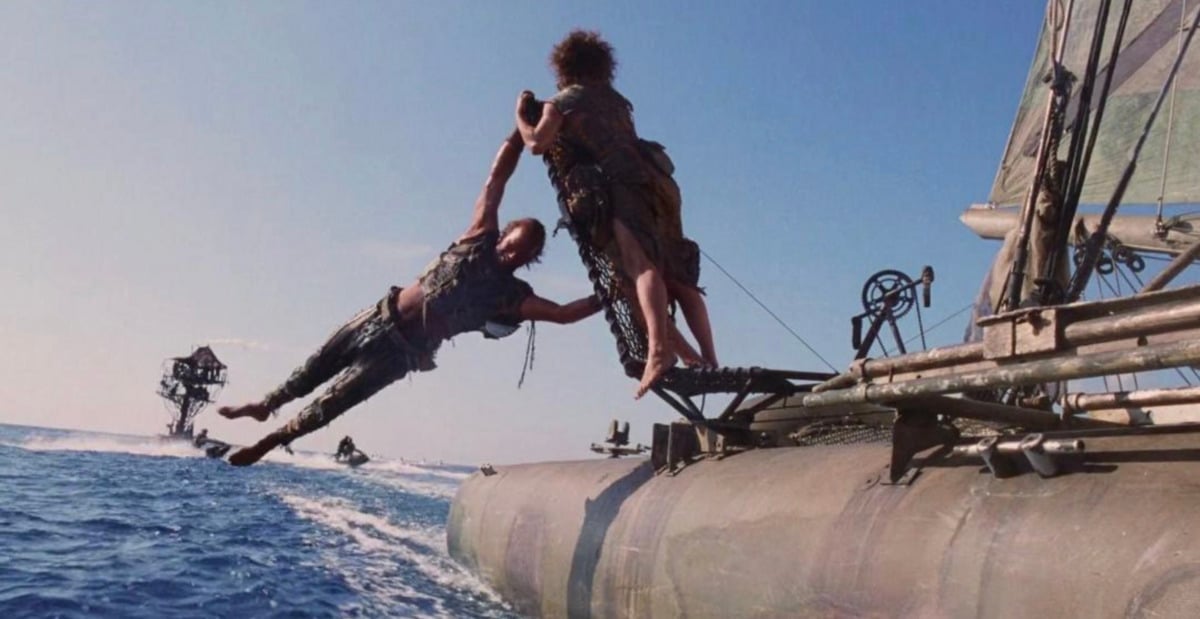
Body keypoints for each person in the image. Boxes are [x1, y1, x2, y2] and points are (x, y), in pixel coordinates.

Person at [218, 130, 603, 466]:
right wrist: (519, 135)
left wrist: (611, 292)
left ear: (529, 261)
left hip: (400, 353)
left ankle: (271, 441)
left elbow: (564, 314)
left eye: (521, 255)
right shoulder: (478, 237)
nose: (510, 256)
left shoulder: (511, 296)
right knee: (316, 367)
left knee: (334, 401)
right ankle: (265, 405)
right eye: (510, 247)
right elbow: (495, 180)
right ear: (504, 236)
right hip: (379, 316)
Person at [515, 29, 717, 398]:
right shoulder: (618, 101)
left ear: (564, 67)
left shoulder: (563, 100)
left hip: (622, 186)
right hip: (660, 185)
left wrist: (521, 117)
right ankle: (707, 358)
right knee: (679, 277)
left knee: (639, 268)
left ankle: (659, 351)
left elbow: (536, 144)